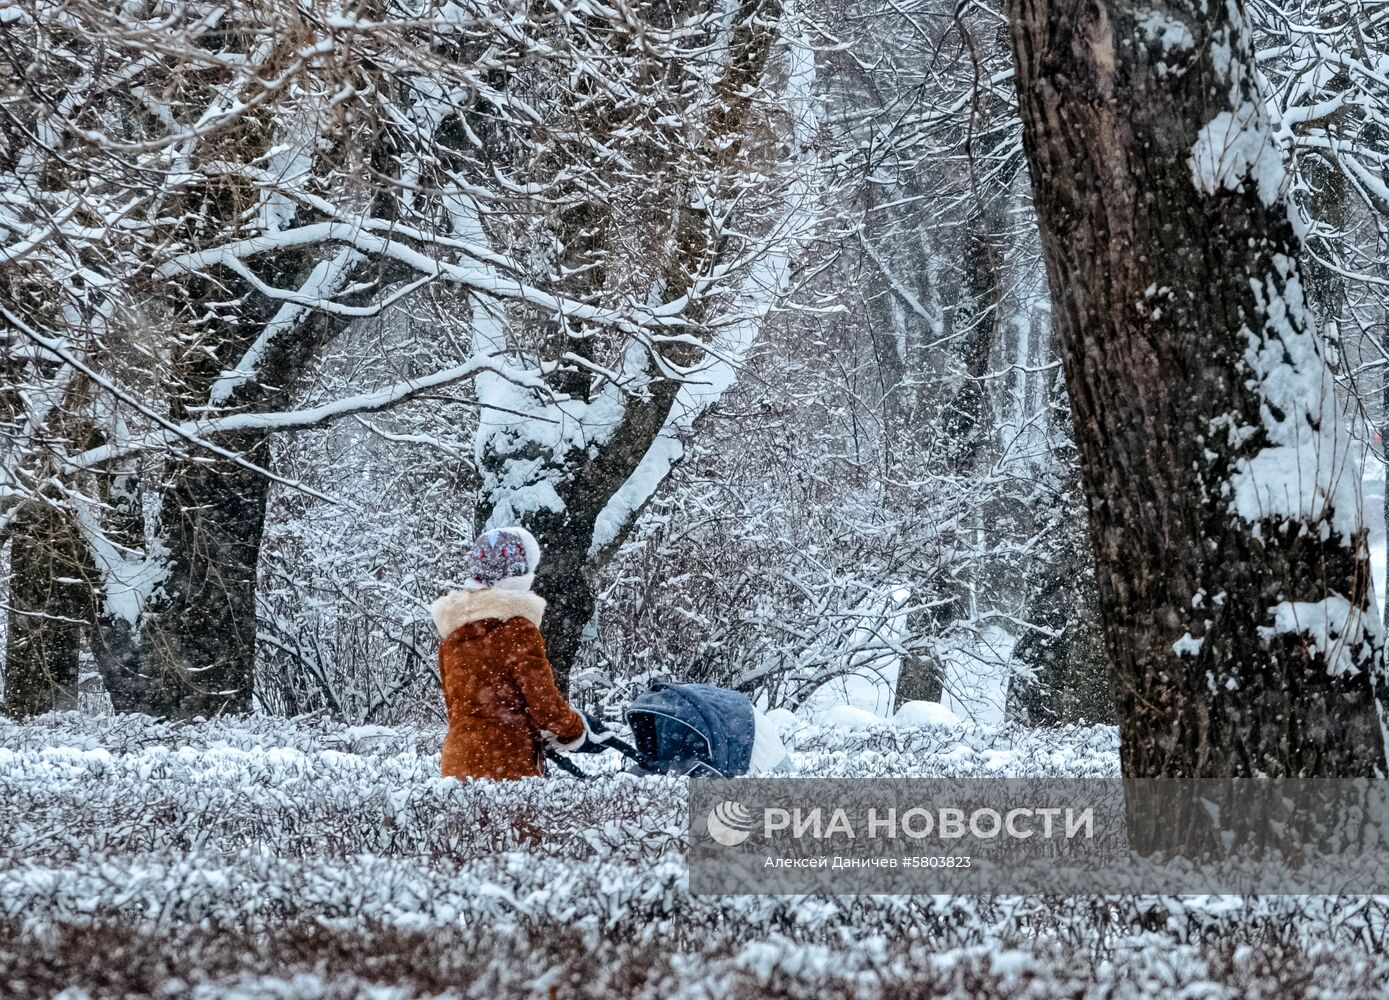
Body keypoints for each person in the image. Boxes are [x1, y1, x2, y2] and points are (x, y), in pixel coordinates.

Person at [430, 526, 599, 780]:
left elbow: (455, 708)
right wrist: (574, 729)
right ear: (520, 574)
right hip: (508, 761)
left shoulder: (452, 636)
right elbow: (544, 704)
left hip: (458, 762)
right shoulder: (517, 629)